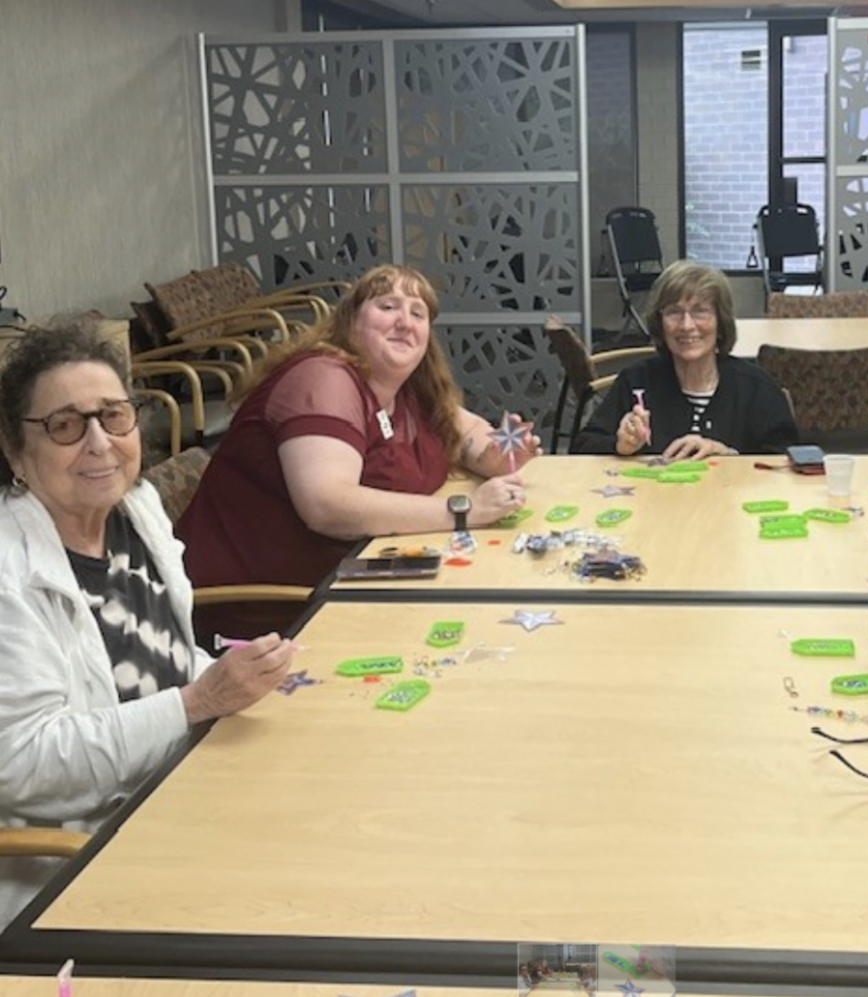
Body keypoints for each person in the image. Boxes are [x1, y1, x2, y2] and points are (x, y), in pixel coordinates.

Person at [0, 323, 298, 932]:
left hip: (181, 794)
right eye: (64, 425)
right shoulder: (10, 570)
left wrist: (238, 680)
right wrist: (198, 701)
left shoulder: (136, 511)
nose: (100, 444)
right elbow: (23, 764)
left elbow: (165, 657)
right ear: (15, 452)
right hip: (74, 870)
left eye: (114, 416)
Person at [178, 265, 538, 598]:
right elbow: (327, 505)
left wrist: (490, 457)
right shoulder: (322, 378)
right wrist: (464, 510)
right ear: (350, 323)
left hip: (358, 577)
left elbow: (468, 429)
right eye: (388, 307)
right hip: (272, 604)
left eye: (418, 314)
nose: (405, 322)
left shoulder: (409, 390)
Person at [572, 261, 798, 460]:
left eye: (700, 311)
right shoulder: (636, 381)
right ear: (660, 322)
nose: (686, 325)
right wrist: (619, 445)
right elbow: (581, 449)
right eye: (674, 312)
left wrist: (729, 455)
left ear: (720, 322)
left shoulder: (756, 387)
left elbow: (787, 461)